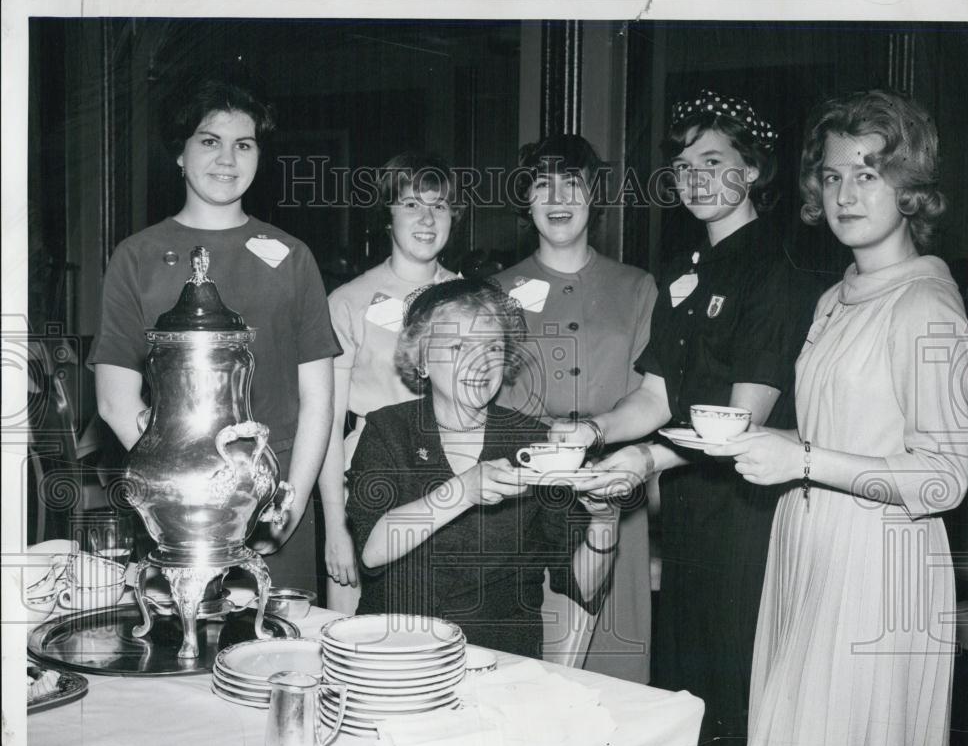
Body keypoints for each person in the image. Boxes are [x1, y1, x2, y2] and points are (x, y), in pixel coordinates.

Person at [705, 89, 968, 746]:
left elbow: (945, 478)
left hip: (881, 564)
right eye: (832, 176)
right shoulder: (836, 293)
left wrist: (803, 459)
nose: (845, 193)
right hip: (810, 545)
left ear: (909, 187)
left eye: (868, 172)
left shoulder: (927, 306)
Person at [555, 91, 818, 746]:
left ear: (754, 169)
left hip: (751, 518)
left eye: (714, 161)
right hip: (693, 514)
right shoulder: (684, 272)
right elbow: (655, 396)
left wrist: (643, 460)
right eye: (682, 164)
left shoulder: (776, 276)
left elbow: (741, 422)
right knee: (688, 685)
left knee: (734, 689)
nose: (694, 177)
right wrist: (592, 428)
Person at [89, 66, 339, 591]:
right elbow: (115, 400)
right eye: (210, 141)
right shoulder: (136, 257)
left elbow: (318, 400)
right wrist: (193, 490)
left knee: (277, 661)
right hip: (174, 514)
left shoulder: (293, 258)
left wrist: (279, 500)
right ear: (180, 154)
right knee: (173, 657)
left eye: (243, 145)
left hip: (277, 504)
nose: (227, 159)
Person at [346, 279, 619, 657]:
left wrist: (605, 522)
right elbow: (373, 551)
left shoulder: (537, 444)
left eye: (493, 347)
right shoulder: (388, 430)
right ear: (422, 360)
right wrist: (463, 490)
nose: (480, 363)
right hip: (395, 649)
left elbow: (583, 588)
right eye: (459, 346)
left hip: (498, 655)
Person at [493, 134, 657, 682]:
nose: (558, 197)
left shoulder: (637, 288)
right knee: (526, 662)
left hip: (610, 486)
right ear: (526, 199)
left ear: (595, 198)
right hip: (522, 493)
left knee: (615, 659)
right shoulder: (496, 291)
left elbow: (650, 396)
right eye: (543, 184)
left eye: (573, 184)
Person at [318, 152, 461, 615]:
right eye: (411, 205)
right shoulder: (347, 302)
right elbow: (326, 427)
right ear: (388, 214)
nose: (426, 218)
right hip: (370, 486)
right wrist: (337, 529)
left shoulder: (471, 300)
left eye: (439, 206)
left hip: (451, 483)